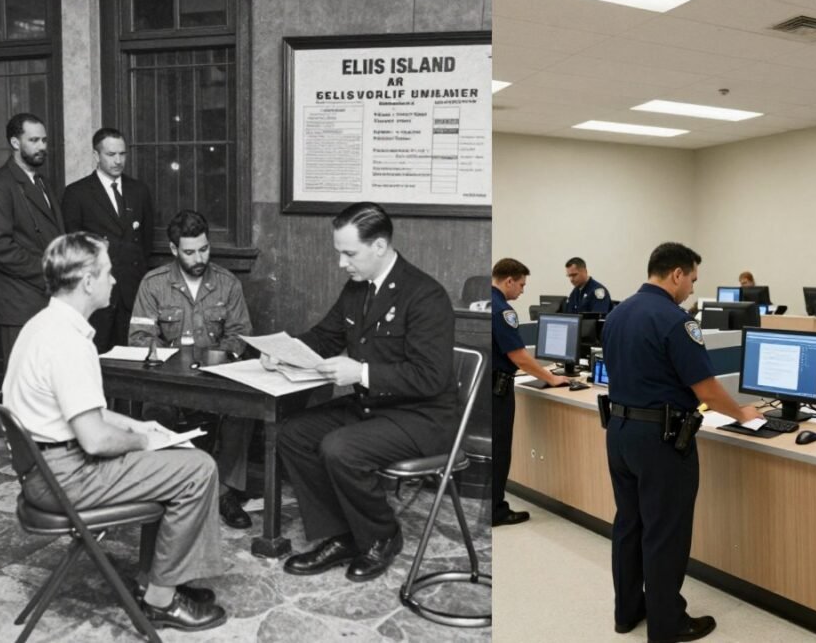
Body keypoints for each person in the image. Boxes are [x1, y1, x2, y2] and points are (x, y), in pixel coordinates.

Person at [3, 232, 226, 631]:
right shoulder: (68, 343)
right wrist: (145, 441)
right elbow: (95, 439)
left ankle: (157, 579)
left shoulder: (43, 325)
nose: (115, 280)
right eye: (107, 272)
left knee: (173, 459)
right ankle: (160, 599)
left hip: (46, 469)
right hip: (65, 476)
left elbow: (89, 412)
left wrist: (141, 426)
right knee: (199, 468)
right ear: (87, 280)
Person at [274, 202, 457, 581]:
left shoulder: (425, 295)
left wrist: (362, 371)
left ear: (379, 246)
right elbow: (325, 336)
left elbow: (431, 377)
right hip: (372, 408)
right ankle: (342, 534)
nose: (342, 263)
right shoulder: (357, 289)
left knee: (340, 448)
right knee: (292, 433)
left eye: (349, 253)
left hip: (421, 417)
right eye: (339, 252)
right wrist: (281, 353)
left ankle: (382, 537)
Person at [602, 242, 762, 643]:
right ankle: (667, 623)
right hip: (661, 439)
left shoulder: (618, 312)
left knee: (629, 524)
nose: (691, 288)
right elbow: (704, 385)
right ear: (676, 273)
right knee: (665, 532)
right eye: (691, 278)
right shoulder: (675, 320)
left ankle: (627, 612)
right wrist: (742, 413)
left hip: (619, 433)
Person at [128, 210, 256, 529]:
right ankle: (171, 492)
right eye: (189, 252)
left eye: (204, 249)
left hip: (216, 380)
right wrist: (174, 362)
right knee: (157, 412)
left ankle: (225, 491)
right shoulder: (154, 284)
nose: (199, 258)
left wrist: (215, 359)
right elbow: (139, 338)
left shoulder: (227, 283)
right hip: (168, 382)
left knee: (242, 412)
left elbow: (241, 334)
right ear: (174, 250)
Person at [491, 258, 569, 527]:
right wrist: (550, 377)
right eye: (521, 285)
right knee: (499, 449)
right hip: (496, 390)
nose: (522, 291)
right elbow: (519, 356)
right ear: (508, 281)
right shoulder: (502, 310)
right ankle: (496, 510)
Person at [62, 127, 154, 353]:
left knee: (134, 361)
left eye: (122, 154)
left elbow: (146, 242)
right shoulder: (77, 193)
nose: (118, 160)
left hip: (133, 295)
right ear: (96, 156)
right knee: (97, 361)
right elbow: (73, 250)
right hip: (97, 297)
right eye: (111, 155)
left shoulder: (139, 190)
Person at [0, 113, 64, 365]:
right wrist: (50, 273)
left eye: (44, 140)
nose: (42, 146)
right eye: (34, 140)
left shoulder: (42, 181)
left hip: (49, 301)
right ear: (15, 143)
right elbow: (0, 249)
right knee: (23, 393)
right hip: (20, 307)